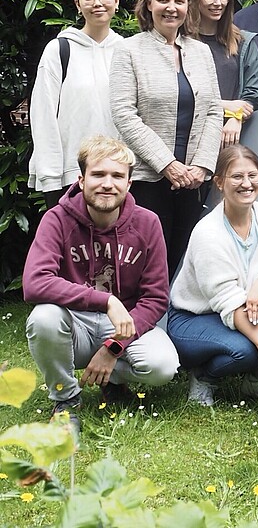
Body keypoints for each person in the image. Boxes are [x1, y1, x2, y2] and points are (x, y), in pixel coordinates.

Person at [24, 136, 178, 426]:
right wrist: (106, 300)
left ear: (129, 184)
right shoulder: (57, 220)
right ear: (81, 180)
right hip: (74, 323)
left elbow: (156, 298)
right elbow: (34, 282)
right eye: (98, 174)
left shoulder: (147, 223)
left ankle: (112, 378)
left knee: (163, 366)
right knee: (43, 319)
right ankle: (66, 400)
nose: (108, 183)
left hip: (125, 325)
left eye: (117, 176)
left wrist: (114, 348)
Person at [167, 145, 258, 407]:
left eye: (253, 175)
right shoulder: (208, 232)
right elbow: (227, 301)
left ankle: (257, 381)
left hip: (243, 306)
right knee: (245, 350)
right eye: (237, 177)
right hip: (194, 319)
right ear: (219, 182)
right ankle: (204, 377)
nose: (246, 184)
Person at [110, 0, 222, 277]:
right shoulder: (129, 50)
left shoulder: (200, 52)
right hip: (149, 178)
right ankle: (142, 320)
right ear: (148, 5)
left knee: (183, 259)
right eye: (163, 0)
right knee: (144, 260)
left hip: (193, 180)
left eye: (179, 1)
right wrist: (168, 165)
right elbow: (124, 114)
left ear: (188, 7)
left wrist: (201, 167)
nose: (171, 7)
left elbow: (213, 111)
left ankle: (177, 321)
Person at [29, 0, 124, 207]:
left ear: (116, 1)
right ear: (78, 5)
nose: (97, 3)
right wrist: (50, 174)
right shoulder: (60, 49)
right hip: (70, 173)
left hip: (117, 174)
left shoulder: (126, 50)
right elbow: (43, 113)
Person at [187, 0, 258, 148]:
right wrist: (224, 106)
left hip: (233, 138)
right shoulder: (180, 43)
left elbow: (255, 93)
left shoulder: (243, 41)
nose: (217, 3)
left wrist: (236, 117)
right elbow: (177, 95)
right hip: (191, 136)